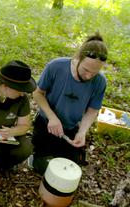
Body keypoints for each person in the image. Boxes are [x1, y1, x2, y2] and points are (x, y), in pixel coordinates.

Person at [31, 32, 108, 175]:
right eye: (86, 69)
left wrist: (82, 132)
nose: (89, 76)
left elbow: (92, 110)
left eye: (94, 72)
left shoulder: (100, 82)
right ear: (77, 58)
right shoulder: (56, 66)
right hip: (46, 123)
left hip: (70, 128)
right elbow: (37, 93)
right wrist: (52, 117)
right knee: (43, 166)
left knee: (69, 169)